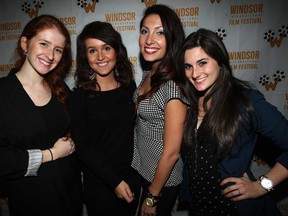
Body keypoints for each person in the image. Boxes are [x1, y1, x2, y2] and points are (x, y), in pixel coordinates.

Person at [177, 28, 288, 215]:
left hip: (235, 209)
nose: (195, 73)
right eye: (188, 66)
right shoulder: (190, 103)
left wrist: (262, 186)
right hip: (201, 208)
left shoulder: (245, 101)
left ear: (220, 61)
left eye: (202, 63)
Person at [0, 15, 83, 216]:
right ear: (25, 43)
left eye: (58, 50)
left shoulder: (59, 87)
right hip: (32, 198)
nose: (50, 55)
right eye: (44, 44)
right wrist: (52, 154)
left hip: (69, 193)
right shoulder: (3, 92)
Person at [68, 21, 140, 216]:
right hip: (100, 186)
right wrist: (114, 182)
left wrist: (131, 179)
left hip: (132, 181)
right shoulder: (78, 97)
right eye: (92, 50)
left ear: (117, 50)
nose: (100, 57)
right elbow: (83, 148)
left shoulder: (130, 88)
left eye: (106, 48)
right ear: (85, 56)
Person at [131, 4, 188, 216]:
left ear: (172, 38)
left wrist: (152, 196)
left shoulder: (172, 87)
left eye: (160, 33)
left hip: (161, 181)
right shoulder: (151, 71)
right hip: (144, 169)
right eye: (145, 31)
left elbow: (172, 153)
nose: (148, 40)